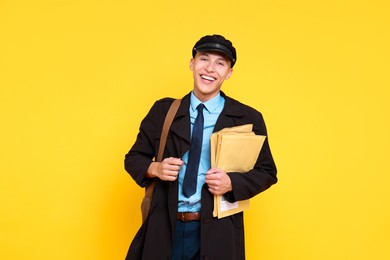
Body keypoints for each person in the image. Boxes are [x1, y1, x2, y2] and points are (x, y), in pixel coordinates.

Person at [124, 34, 277, 260]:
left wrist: (232, 182)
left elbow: (267, 172)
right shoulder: (163, 111)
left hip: (218, 231)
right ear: (192, 63)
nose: (210, 69)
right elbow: (134, 158)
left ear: (229, 73)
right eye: (204, 59)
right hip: (165, 227)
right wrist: (155, 169)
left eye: (220, 63)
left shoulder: (248, 117)